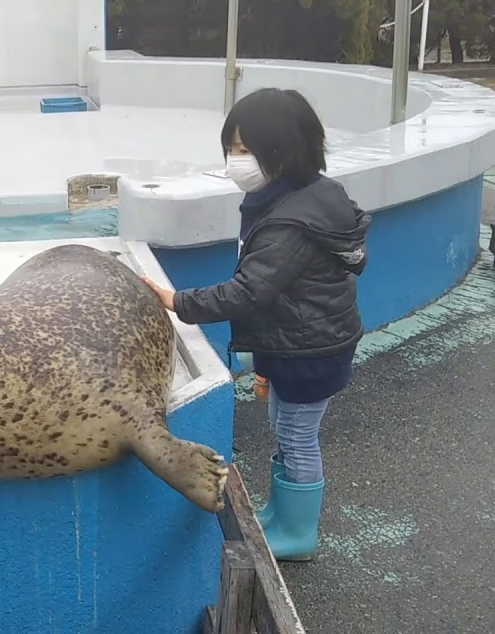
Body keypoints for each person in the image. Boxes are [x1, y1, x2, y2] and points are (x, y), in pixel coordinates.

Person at [140, 87, 370, 562]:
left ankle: (298, 533)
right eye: (231, 148)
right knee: (283, 427)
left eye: (245, 150)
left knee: (297, 436)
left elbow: (248, 291)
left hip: (312, 350)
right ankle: (280, 513)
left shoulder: (291, 221)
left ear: (284, 152)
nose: (234, 160)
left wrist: (174, 299)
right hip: (300, 341)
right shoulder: (298, 195)